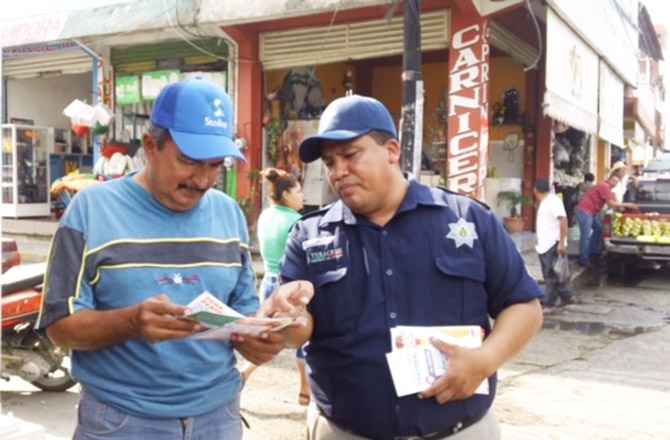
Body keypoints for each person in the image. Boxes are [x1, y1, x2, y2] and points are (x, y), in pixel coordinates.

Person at [259, 95, 544, 439]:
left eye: (350, 155)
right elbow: (298, 331)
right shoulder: (309, 236)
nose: (338, 171)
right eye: (330, 162)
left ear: (392, 150)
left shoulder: (466, 219)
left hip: (458, 431)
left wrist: (485, 360)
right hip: (343, 431)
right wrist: (287, 317)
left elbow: (524, 307)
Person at [36, 78, 305, 440]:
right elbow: (59, 327)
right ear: (151, 146)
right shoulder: (90, 210)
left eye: (216, 165)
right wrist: (131, 322)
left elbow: (242, 312)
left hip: (219, 418)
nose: (204, 179)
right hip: (122, 421)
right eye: (189, 161)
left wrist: (259, 338)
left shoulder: (228, 214)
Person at [241, 167, 311, 406]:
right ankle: (305, 390)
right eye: (298, 191)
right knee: (303, 337)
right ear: (286, 195)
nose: (303, 196)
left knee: (266, 338)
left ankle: (245, 374)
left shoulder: (265, 216)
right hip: (288, 289)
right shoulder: (297, 222)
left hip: (269, 284)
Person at [574, 172, 639, 267]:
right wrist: (628, 205)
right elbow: (611, 204)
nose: (614, 183)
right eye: (613, 180)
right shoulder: (604, 186)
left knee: (599, 229)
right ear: (609, 179)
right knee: (585, 236)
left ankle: (592, 252)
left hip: (590, 212)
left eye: (616, 182)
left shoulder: (607, 188)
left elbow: (612, 198)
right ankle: (584, 260)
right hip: (584, 211)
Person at [533, 178, 573, 311]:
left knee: (551, 275)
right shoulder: (545, 202)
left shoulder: (553, 201)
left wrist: (561, 242)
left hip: (553, 243)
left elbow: (563, 220)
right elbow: (546, 223)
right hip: (544, 243)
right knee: (551, 273)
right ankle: (566, 296)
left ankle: (550, 303)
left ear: (535, 190)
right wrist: (538, 237)